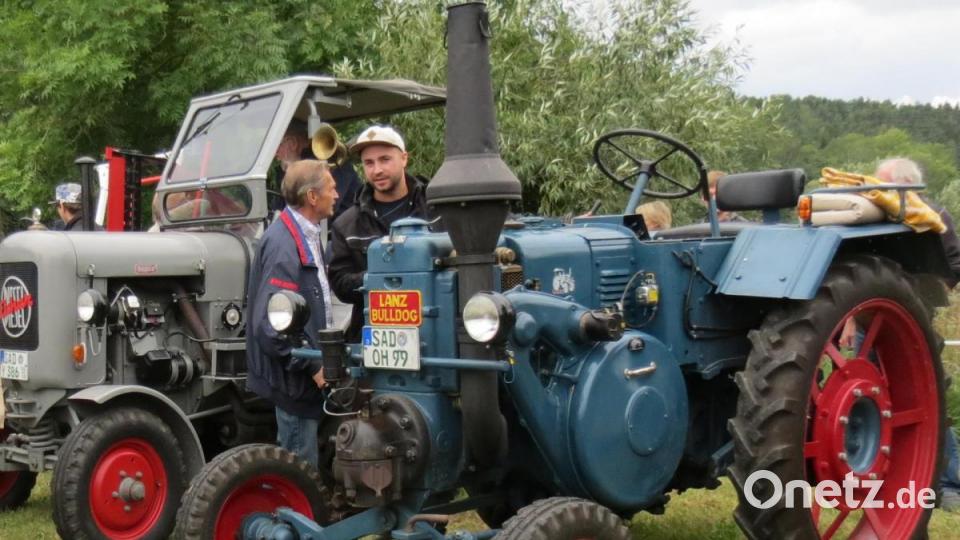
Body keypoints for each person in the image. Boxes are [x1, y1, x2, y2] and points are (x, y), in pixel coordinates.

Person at [838, 157, 960, 510]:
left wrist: (925, 294)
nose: (875, 190)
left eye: (882, 184)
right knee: (869, 396)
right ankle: (885, 476)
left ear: (904, 186)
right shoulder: (874, 217)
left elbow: (955, 263)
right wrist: (849, 319)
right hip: (869, 322)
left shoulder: (933, 217)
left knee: (922, 399)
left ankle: (949, 483)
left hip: (910, 324)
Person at [246, 160, 338, 467]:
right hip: (294, 382)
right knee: (301, 471)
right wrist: (312, 364)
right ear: (313, 197)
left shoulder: (305, 236)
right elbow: (273, 323)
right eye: (331, 187)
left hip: (301, 378)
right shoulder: (284, 244)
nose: (337, 194)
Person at [329, 125, 430, 342]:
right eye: (369, 163)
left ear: (404, 158)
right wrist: (379, 278)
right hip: (375, 339)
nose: (377, 170)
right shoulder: (347, 225)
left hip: (436, 331)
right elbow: (340, 284)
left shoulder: (436, 209)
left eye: (385, 159)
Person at [273, 122, 359, 221]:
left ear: (293, 143)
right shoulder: (288, 170)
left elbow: (324, 208)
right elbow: (279, 208)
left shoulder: (333, 162)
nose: (275, 152)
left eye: (278, 145)